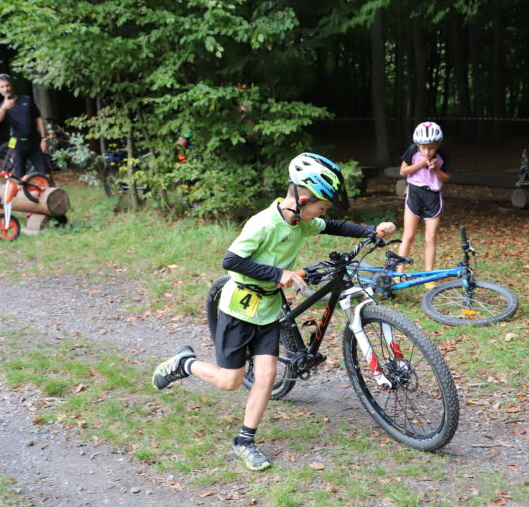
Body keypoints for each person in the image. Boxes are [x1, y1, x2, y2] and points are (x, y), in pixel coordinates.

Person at [151, 153, 396, 471]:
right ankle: (184, 363)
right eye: (321, 208)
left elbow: (334, 226)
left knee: (266, 374)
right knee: (230, 381)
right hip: (240, 309)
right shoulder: (263, 224)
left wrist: (371, 231)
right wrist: (279, 274)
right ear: (303, 200)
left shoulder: (300, 222)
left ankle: (245, 441)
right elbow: (231, 261)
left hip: (268, 310)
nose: (322, 215)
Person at [398, 122, 451, 288]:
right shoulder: (413, 150)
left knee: (430, 237)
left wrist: (435, 169)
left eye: (431, 148)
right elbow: (403, 171)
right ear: (418, 145)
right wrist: (420, 164)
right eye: (423, 148)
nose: (427, 152)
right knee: (408, 235)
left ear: (438, 145)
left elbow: (447, 177)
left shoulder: (442, 155)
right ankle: (398, 273)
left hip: (432, 196)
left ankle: (428, 276)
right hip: (414, 193)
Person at [0, 74, 51, 180]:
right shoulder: (1, 107)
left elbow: (38, 119)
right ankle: (23, 189)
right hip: (16, 143)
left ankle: (48, 191)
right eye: (2, 87)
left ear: (11, 85)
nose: (6, 89)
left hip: (34, 142)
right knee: (20, 178)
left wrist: (44, 138)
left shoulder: (27, 99)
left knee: (46, 175)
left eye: (7, 85)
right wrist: (5, 107)